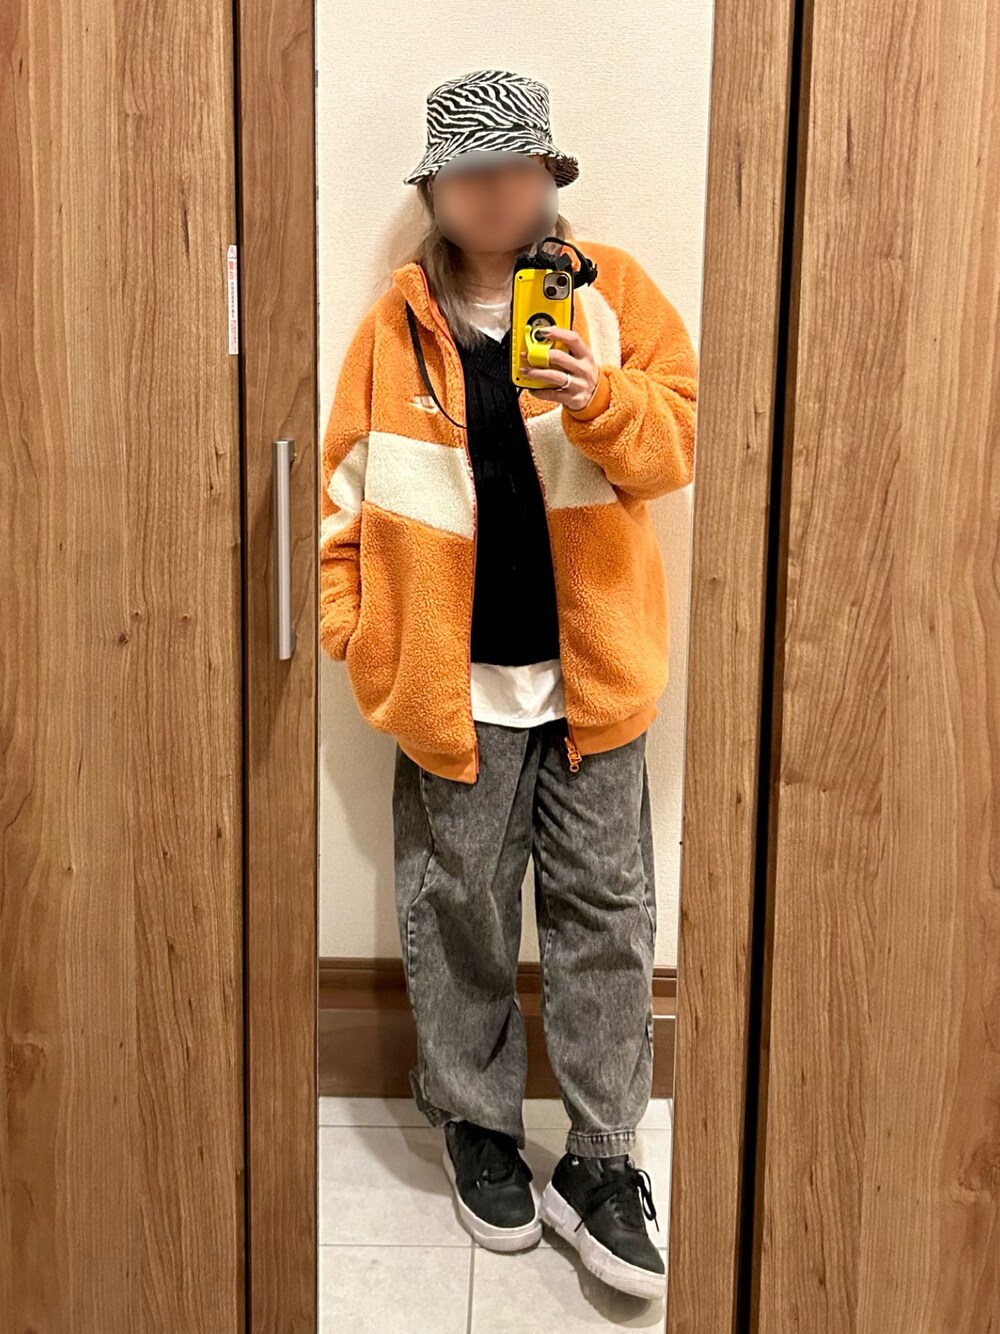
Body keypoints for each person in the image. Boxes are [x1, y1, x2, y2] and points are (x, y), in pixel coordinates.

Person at [319, 68, 697, 1302]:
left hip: (593, 684)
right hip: (452, 686)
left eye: (519, 168)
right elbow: (341, 499)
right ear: (435, 190)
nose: (497, 192)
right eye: (472, 173)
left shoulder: (611, 292)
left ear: (550, 178)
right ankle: (476, 1123)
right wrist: (358, 635)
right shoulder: (393, 328)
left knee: (606, 917)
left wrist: (604, 400)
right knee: (460, 912)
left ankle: (601, 1157)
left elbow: (679, 441)